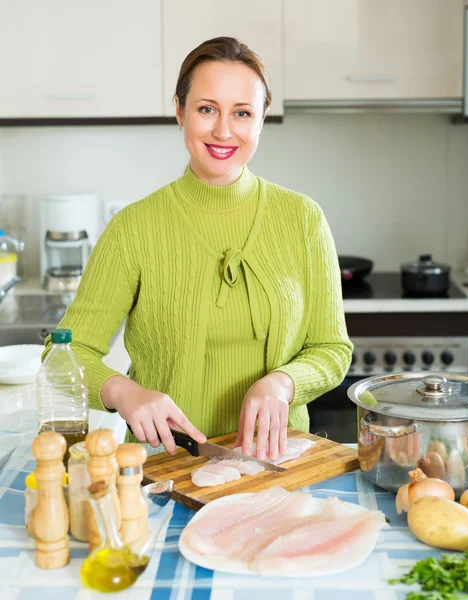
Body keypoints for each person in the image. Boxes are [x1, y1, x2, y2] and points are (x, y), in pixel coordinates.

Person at [43, 37, 353, 462]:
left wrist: (283, 383)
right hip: (164, 468)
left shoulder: (303, 219)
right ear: (179, 110)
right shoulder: (134, 228)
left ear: (261, 119)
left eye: (242, 113)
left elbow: (333, 350)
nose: (223, 131)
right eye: (207, 109)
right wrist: (125, 393)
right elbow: (64, 355)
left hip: (278, 465)